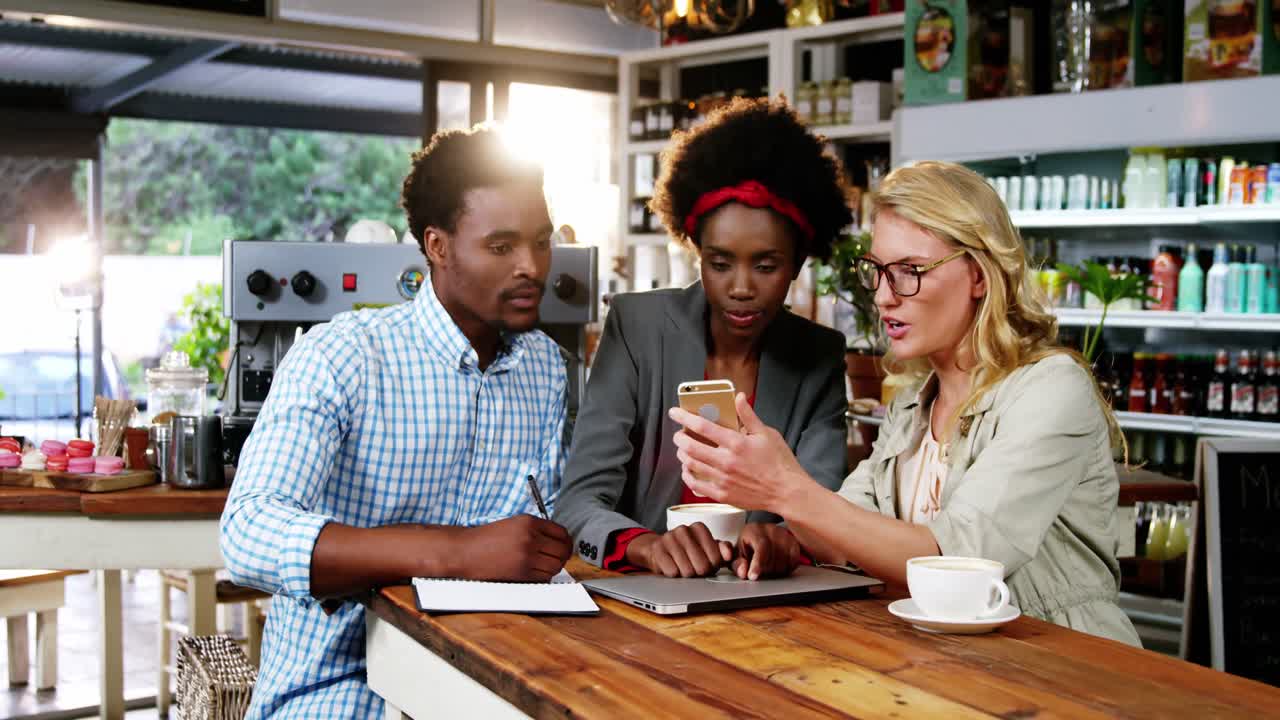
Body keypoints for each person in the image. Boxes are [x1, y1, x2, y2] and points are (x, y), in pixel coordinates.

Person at [669, 161, 1141, 645]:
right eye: (877, 271)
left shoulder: (1050, 389)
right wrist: (779, 530)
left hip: (1066, 664)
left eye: (910, 272)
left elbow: (957, 559)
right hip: (948, 663)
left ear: (979, 275)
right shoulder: (914, 403)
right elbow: (845, 531)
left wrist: (784, 490)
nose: (884, 297)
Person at [220, 125, 575, 718]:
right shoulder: (343, 356)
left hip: (492, 673)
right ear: (437, 247)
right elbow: (247, 534)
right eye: (501, 247)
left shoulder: (545, 367)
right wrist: (457, 552)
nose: (531, 266)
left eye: (540, 242)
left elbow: (549, 515)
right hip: (339, 685)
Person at [554, 98, 852, 581]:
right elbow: (577, 503)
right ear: (696, 252)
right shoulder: (637, 328)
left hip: (769, 608)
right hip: (647, 596)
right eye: (719, 263)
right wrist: (645, 546)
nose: (740, 287)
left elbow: (827, 509)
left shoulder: (817, 357)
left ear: (797, 263)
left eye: (766, 265)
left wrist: (785, 541)